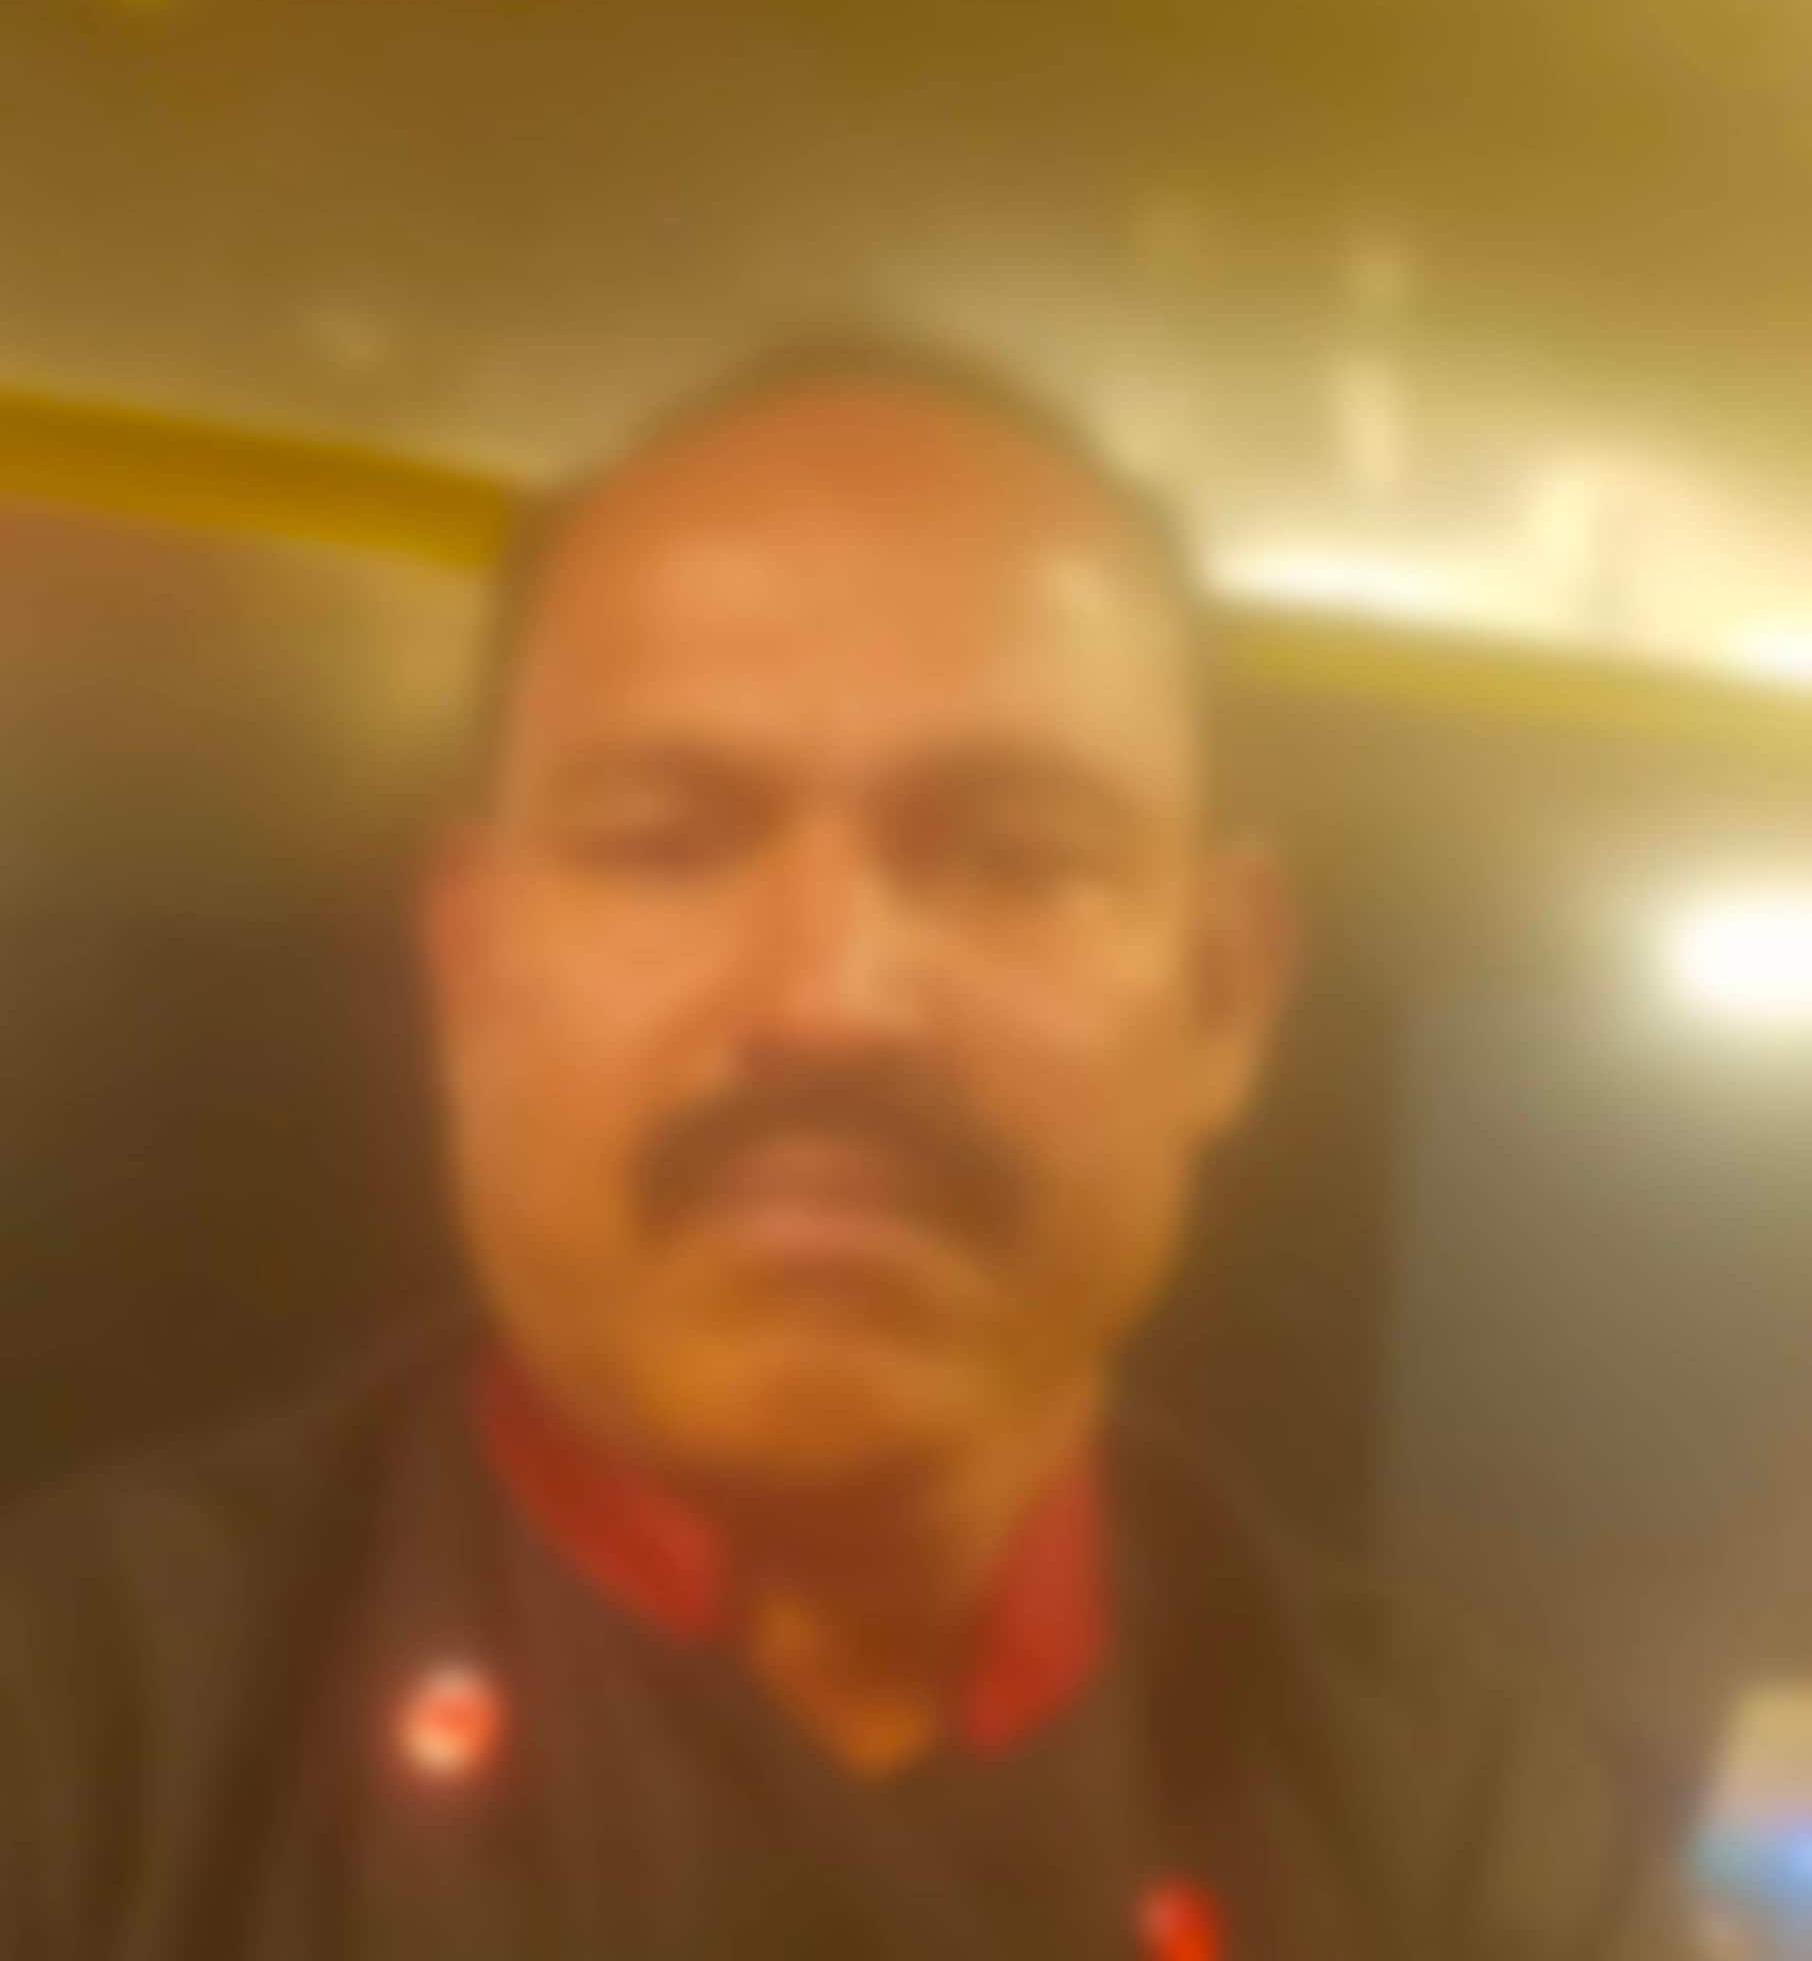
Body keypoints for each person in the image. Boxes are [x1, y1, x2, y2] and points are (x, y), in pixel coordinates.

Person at [0, 338, 1693, 1959]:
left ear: (1222, 997)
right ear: (470, 972)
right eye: (664, 841)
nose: (832, 1002)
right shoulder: (80, 1734)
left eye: (1016, 856)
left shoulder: (1458, 1819)